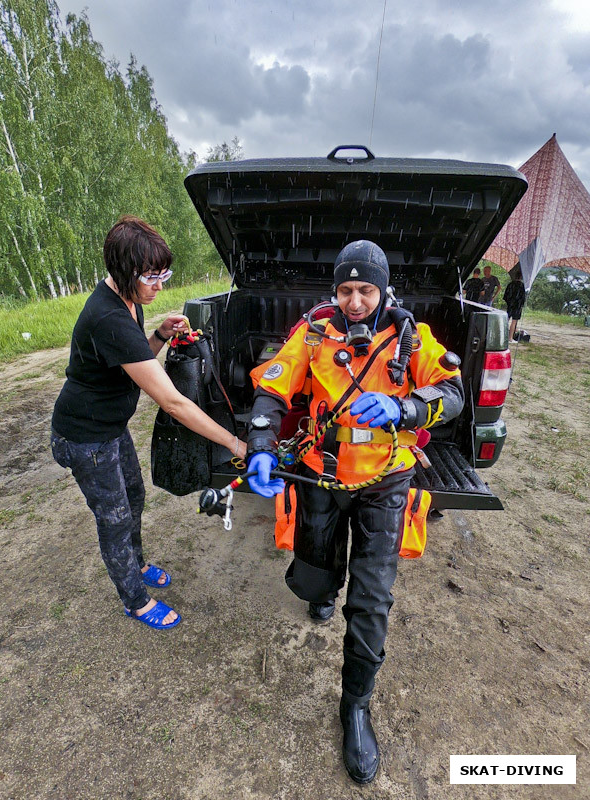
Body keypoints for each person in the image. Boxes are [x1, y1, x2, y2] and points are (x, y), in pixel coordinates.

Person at [245, 240, 464, 784]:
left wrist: (407, 405)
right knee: (316, 574)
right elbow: (274, 388)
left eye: (367, 289)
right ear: (335, 291)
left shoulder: (412, 337)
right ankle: (323, 593)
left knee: (371, 600)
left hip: (385, 480)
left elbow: (453, 393)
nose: (357, 301)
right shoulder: (316, 331)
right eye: (346, 289)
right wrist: (261, 447)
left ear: (385, 289)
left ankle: (356, 708)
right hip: (320, 473)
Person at [51, 216, 246, 631]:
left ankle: (135, 564)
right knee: (115, 517)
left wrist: (157, 334)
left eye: (163, 275)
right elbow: (174, 403)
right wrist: (233, 441)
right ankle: (135, 601)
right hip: (85, 437)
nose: (161, 286)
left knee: (133, 496)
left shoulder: (128, 300)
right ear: (124, 273)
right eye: (152, 277)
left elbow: (132, 360)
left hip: (109, 428)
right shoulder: (109, 318)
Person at [503, 265, 526, 341]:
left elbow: (505, 295)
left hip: (510, 305)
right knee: (514, 322)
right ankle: (510, 338)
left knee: (506, 320)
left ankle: (502, 336)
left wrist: (509, 302)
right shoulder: (522, 286)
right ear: (521, 277)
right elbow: (523, 298)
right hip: (517, 306)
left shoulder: (510, 284)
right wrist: (521, 305)